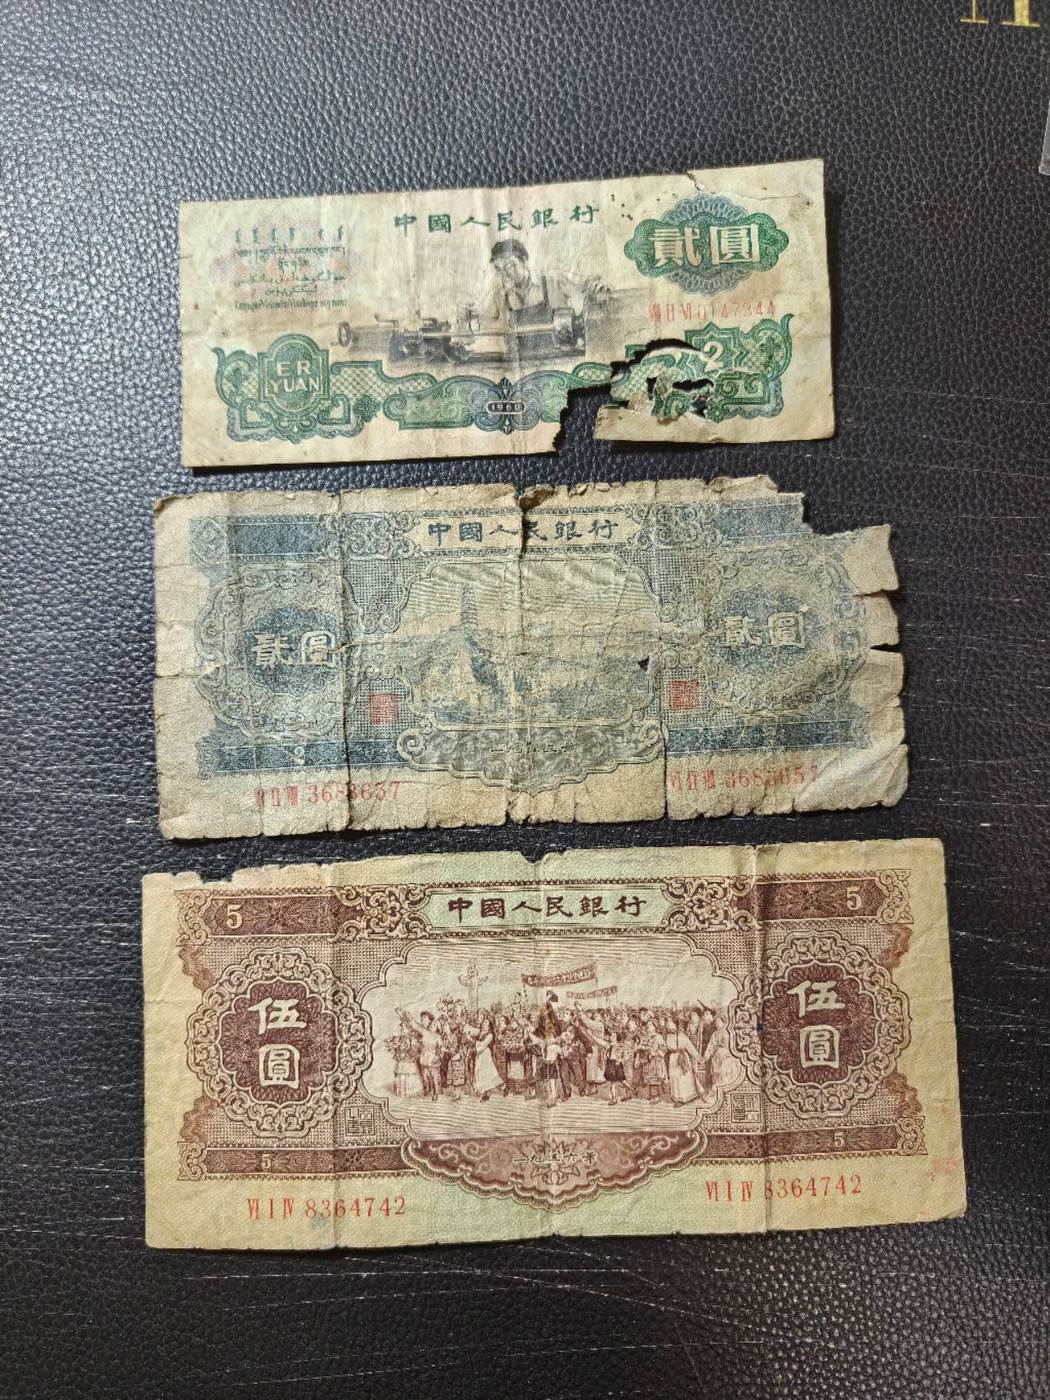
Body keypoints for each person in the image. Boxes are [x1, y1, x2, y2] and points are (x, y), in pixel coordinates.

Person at [478, 239, 599, 330]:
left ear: (523, 261)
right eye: (498, 269)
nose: (504, 274)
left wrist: (597, 287)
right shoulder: (498, 295)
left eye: (509, 266)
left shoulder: (553, 280)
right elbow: (478, 320)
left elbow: (590, 285)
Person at [400, 1009, 442, 1101]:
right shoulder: (425, 1033)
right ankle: (427, 1089)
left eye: (434, 1025)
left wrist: (437, 1057)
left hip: (433, 1058)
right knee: (425, 1076)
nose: (432, 1027)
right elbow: (415, 1025)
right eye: (431, 1025)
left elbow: (441, 1049)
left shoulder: (438, 1037)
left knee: (435, 1077)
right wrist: (408, 1017)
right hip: (424, 1057)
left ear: (437, 1027)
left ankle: (435, 1093)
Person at [702, 1012, 741, 1091]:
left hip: (727, 1056)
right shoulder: (715, 1034)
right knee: (716, 1072)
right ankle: (717, 1087)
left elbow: (732, 1045)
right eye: (716, 1022)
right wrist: (706, 1056)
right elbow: (710, 1046)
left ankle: (726, 1087)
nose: (717, 1024)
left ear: (723, 1022)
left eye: (718, 1021)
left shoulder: (728, 1032)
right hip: (716, 1057)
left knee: (726, 1071)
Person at [470, 1013, 504, 1102]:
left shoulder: (490, 1035)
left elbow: (482, 1045)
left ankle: (501, 1087)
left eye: (486, 1023)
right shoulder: (480, 1032)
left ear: (489, 1026)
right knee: (479, 1072)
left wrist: (474, 1042)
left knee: (487, 1073)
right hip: (479, 1055)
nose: (484, 1024)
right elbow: (471, 1034)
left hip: (485, 1055)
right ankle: (484, 1093)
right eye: (483, 1022)